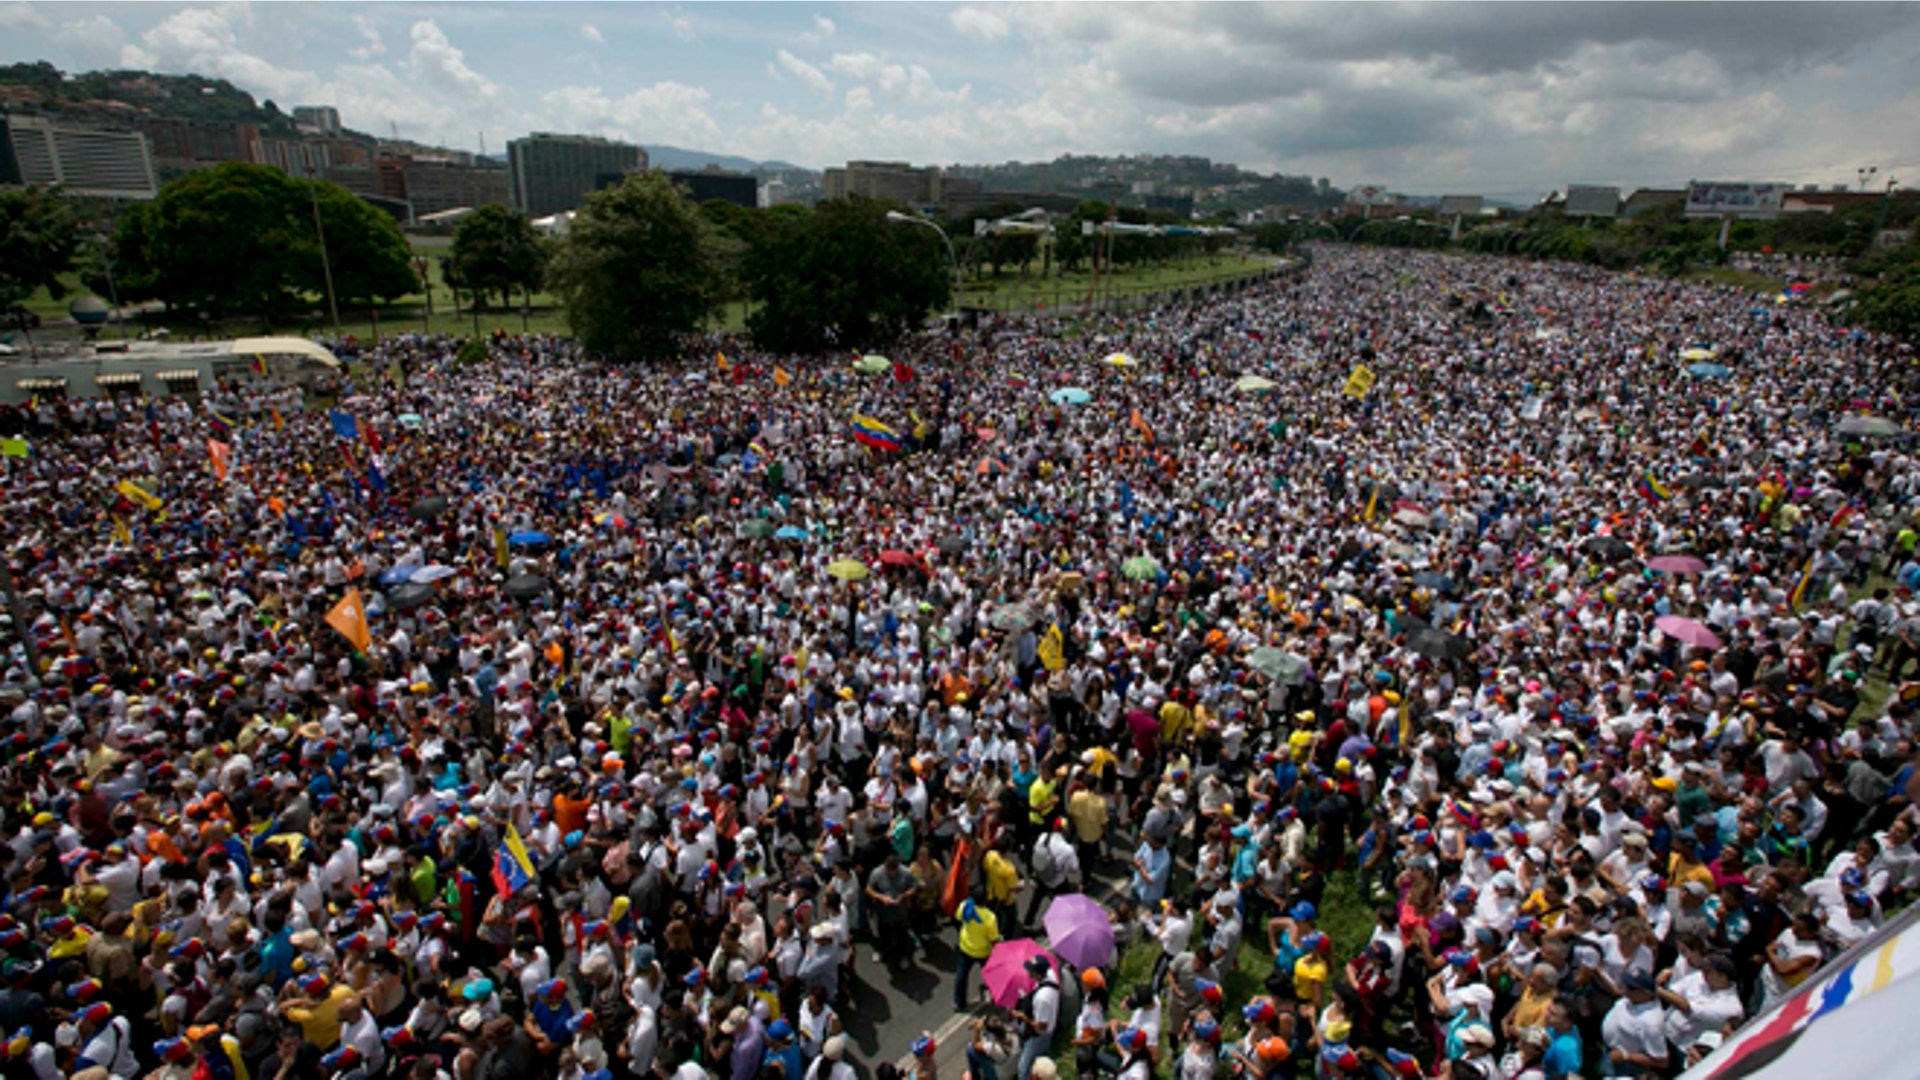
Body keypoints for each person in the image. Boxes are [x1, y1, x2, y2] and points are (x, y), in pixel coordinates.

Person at [1011, 955, 1060, 1080]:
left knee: (1023, 1069)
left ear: (1038, 974)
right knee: (1042, 1056)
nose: (1028, 972)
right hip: (1048, 1029)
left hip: (1039, 1035)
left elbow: (1042, 1026)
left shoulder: (1042, 998)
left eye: (1031, 970)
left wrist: (1023, 1017)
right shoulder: (1051, 978)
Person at [955, 894, 1001, 1011]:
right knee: (991, 974)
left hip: (966, 947)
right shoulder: (989, 917)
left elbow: (958, 917)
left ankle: (959, 1003)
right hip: (983, 951)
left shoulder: (965, 906)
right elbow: (993, 938)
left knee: (962, 975)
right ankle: (996, 996)